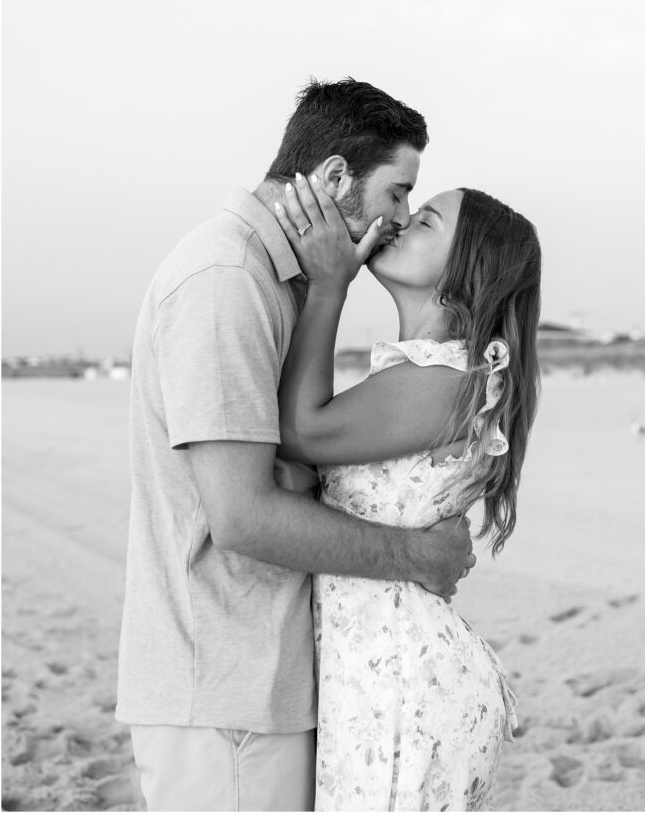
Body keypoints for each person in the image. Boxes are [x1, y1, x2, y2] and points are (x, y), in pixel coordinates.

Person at [115, 78, 476, 812]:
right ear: (336, 177)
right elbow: (242, 516)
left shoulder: (283, 278)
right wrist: (419, 557)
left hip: (263, 677)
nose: (399, 218)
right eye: (398, 193)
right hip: (224, 689)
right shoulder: (227, 278)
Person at [274, 176, 541, 811]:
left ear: (465, 270)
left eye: (425, 223)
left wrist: (329, 284)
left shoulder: (446, 379)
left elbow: (298, 431)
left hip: (403, 685)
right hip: (378, 672)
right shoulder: (426, 370)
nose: (399, 222)